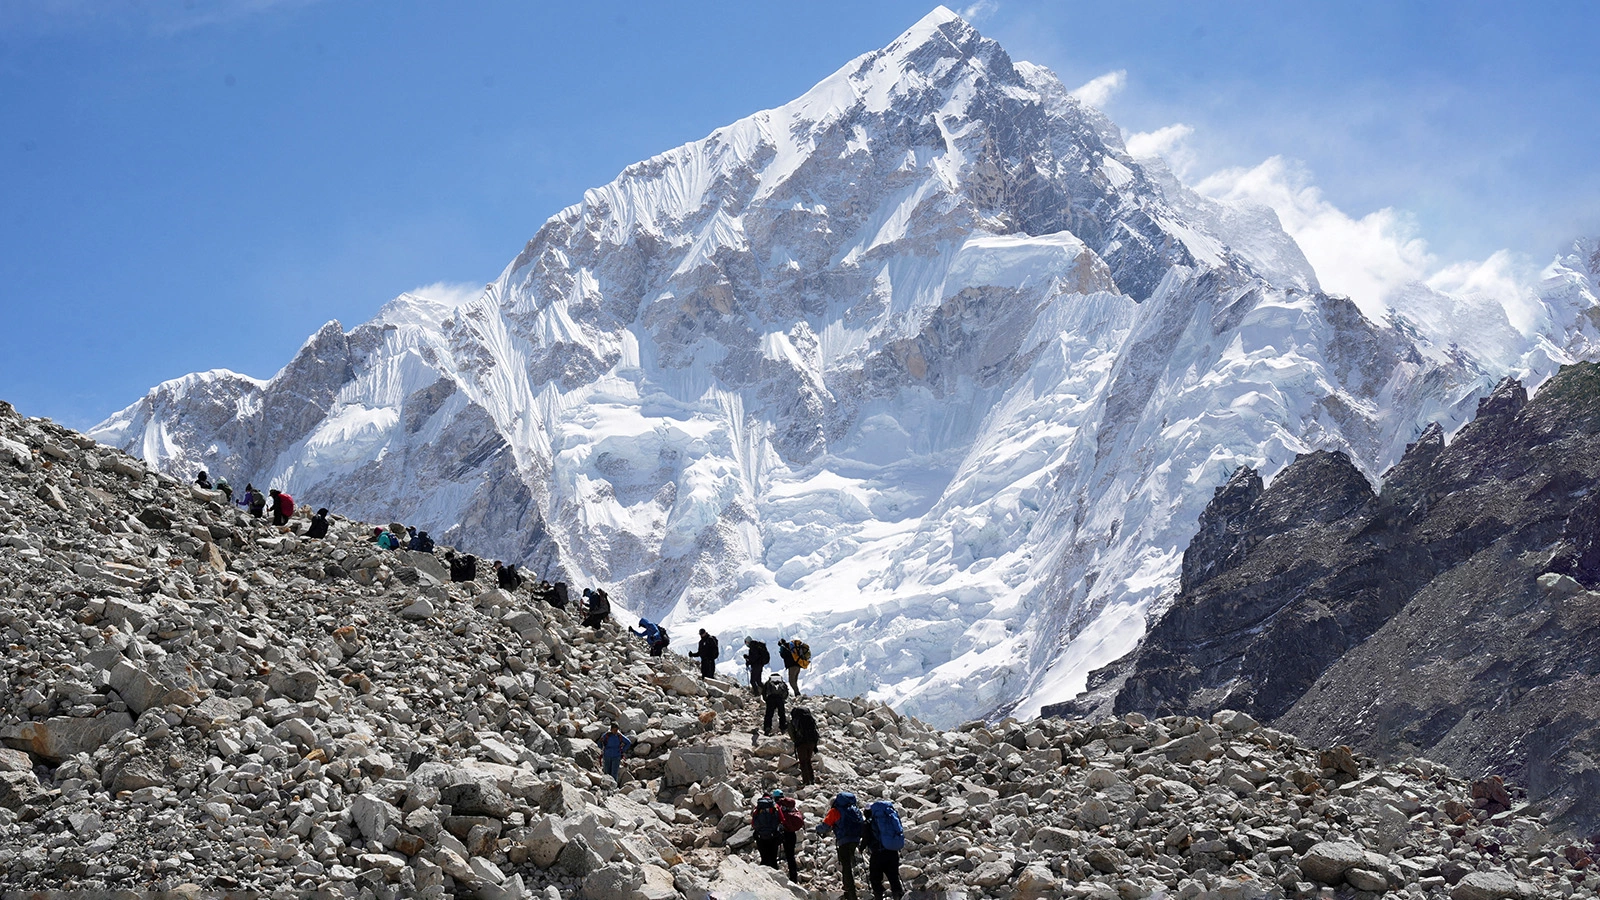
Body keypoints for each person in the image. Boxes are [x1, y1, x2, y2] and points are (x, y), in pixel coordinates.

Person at [817, 792, 865, 900]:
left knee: (846, 866)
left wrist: (817, 829)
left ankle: (850, 893)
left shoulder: (835, 811)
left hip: (844, 840)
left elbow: (825, 827)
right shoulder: (855, 810)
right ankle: (848, 888)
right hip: (856, 839)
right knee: (848, 863)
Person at [864, 800, 906, 900]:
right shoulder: (890, 818)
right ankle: (898, 896)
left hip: (877, 853)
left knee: (875, 877)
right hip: (892, 851)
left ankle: (879, 896)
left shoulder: (870, 822)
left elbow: (866, 838)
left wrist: (861, 848)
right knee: (893, 876)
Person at [774, 789, 804, 882]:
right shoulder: (792, 806)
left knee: (773, 853)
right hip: (791, 833)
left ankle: (774, 874)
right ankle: (793, 877)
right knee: (790, 856)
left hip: (780, 832)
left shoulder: (777, 806)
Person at [752, 793, 785, 875]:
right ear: (771, 798)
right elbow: (782, 819)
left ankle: (763, 876)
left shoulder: (758, 807)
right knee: (773, 857)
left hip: (761, 836)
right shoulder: (775, 806)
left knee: (764, 857)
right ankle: (775, 876)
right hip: (773, 836)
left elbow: (753, 823)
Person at [788, 705, 820, 785]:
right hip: (812, 742)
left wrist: (796, 741)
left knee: (803, 762)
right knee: (808, 761)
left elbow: (792, 734)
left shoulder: (794, 721)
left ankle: (806, 781)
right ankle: (812, 779)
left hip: (801, 742)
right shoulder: (809, 719)